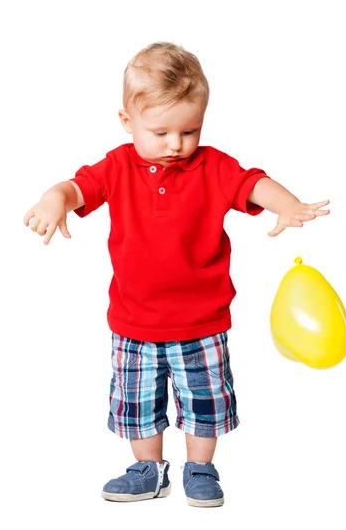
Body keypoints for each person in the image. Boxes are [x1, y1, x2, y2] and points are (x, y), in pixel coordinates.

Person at [23, 42, 330, 507]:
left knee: (205, 403)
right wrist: (53, 199)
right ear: (128, 123)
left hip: (201, 322)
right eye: (161, 131)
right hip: (134, 322)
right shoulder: (116, 166)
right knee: (138, 405)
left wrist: (286, 204)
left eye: (189, 130)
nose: (176, 144)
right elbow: (74, 187)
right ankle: (149, 468)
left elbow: (252, 182)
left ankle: (200, 467)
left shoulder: (212, 165)